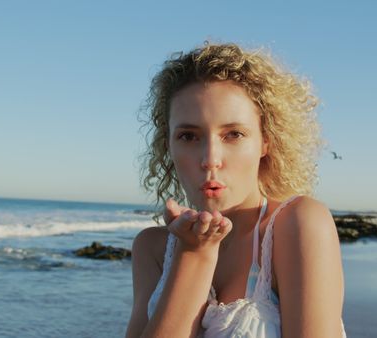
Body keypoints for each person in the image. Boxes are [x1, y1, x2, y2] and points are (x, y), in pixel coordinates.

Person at [126, 42, 347, 338]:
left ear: (265, 142)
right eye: (189, 136)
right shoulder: (152, 248)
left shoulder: (297, 224)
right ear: (169, 146)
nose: (210, 159)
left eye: (233, 134)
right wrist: (193, 256)